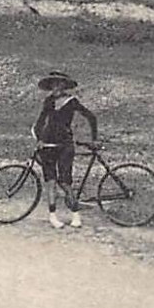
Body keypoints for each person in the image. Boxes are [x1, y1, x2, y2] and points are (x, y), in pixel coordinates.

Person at [32, 71, 98, 229]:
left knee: (65, 181)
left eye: (59, 84)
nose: (56, 87)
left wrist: (94, 138)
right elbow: (40, 121)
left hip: (65, 144)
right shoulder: (48, 101)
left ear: (64, 86)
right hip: (48, 144)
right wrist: (39, 139)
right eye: (53, 84)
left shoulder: (72, 101)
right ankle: (53, 216)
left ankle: (75, 214)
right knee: (50, 181)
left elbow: (91, 117)